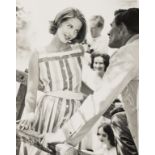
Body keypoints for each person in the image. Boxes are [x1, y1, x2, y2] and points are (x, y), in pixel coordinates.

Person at [41, 7, 139, 154]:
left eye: (111, 26)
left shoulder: (129, 52)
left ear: (123, 28)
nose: (108, 32)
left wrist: (64, 134)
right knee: (121, 118)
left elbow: (100, 99)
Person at [18, 7, 87, 155]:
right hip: (49, 110)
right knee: (42, 150)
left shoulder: (79, 51)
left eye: (76, 30)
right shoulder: (38, 53)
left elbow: (86, 84)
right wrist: (29, 113)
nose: (71, 32)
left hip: (74, 114)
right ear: (60, 22)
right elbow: (31, 88)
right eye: (69, 26)